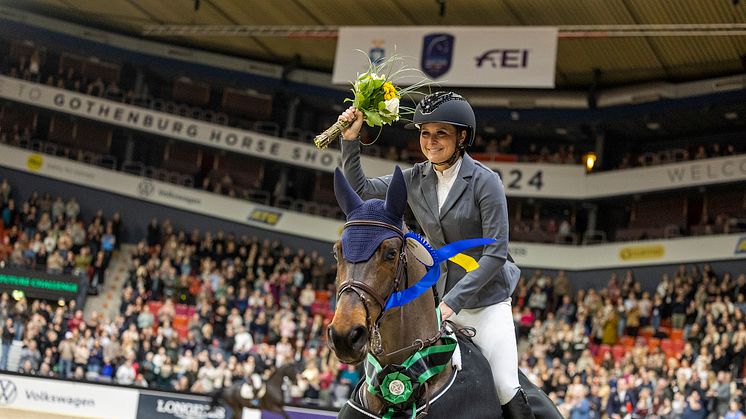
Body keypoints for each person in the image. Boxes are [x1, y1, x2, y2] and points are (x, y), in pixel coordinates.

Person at [337, 91, 531, 418]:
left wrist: (454, 302)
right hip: (434, 303)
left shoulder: (486, 182)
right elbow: (363, 191)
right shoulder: (417, 178)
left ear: (462, 137)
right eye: (425, 133)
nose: (431, 141)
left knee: (505, 386)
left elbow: (496, 253)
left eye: (441, 133)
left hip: (485, 304)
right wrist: (350, 141)